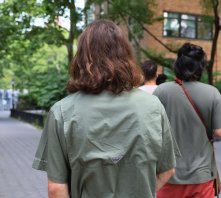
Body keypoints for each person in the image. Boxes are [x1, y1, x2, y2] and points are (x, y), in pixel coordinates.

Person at [32, 20, 178, 198]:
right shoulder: (153, 106)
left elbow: (56, 188)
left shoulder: (61, 112)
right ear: (125, 55)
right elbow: (167, 170)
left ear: (82, 58)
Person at [154, 43, 221, 198]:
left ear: (178, 65)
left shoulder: (161, 91)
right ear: (201, 67)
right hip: (201, 176)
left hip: (168, 176)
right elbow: (220, 133)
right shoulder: (212, 93)